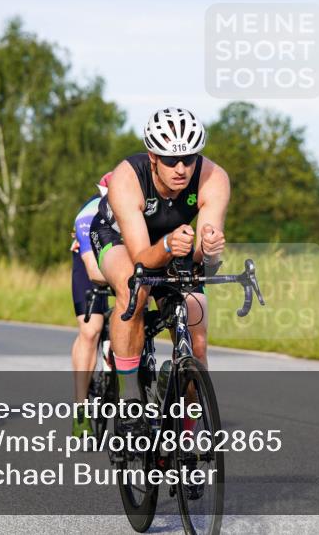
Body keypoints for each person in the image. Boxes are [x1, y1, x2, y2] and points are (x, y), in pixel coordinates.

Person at [89, 107, 230, 422]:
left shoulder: (214, 178)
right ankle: (128, 395)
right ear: (153, 156)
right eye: (170, 160)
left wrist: (209, 251)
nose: (181, 168)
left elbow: (203, 257)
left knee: (197, 332)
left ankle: (186, 438)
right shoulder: (128, 178)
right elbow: (141, 256)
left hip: (172, 242)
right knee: (133, 289)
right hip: (120, 238)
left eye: (189, 159)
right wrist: (167, 246)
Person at [70, 172, 112, 437]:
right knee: (91, 329)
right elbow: (95, 272)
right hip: (90, 267)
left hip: (120, 258)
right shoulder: (88, 215)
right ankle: (81, 406)